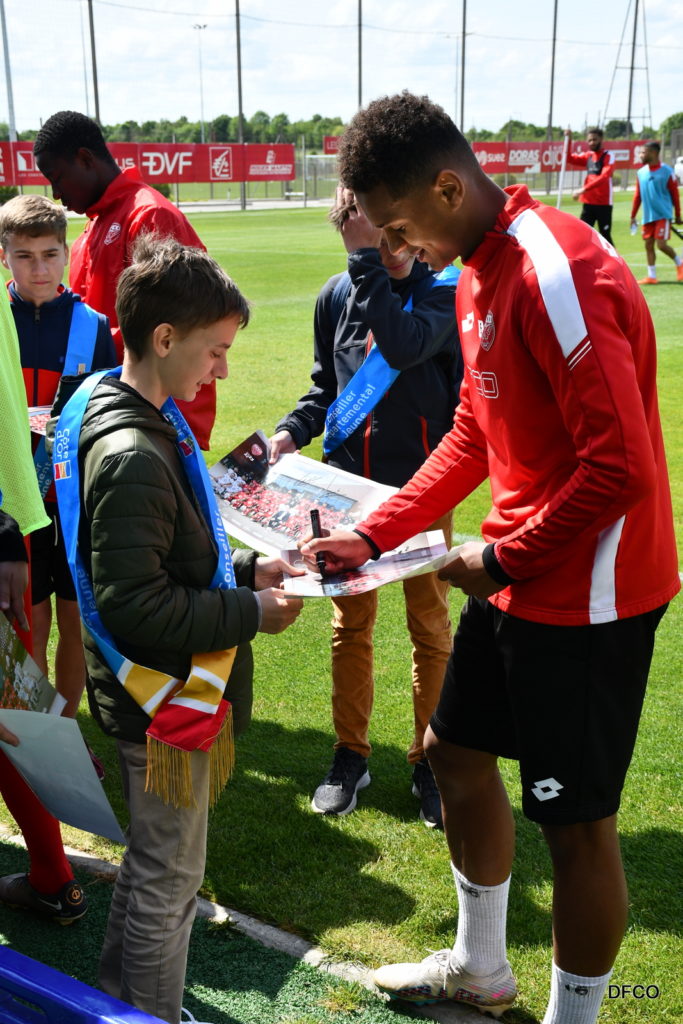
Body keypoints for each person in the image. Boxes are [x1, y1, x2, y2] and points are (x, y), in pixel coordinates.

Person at [301, 92, 679, 1024]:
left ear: (446, 187)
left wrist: (505, 559)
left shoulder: (555, 273)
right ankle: (480, 967)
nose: (395, 250)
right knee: (455, 754)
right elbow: (474, 431)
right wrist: (375, 531)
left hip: (589, 592)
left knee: (574, 826)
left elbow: (619, 468)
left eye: (397, 228)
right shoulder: (475, 270)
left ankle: (572, 1017)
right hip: (517, 573)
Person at [52, 235, 303, 1024]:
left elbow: (167, 557)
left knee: (152, 867)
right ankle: (149, 1012)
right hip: (162, 703)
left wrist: (246, 572)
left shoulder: (118, 404)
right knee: (170, 880)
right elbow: (136, 603)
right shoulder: (134, 450)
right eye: (215, 350)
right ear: (164, 339)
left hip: (150, 696)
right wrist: (251, 611)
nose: (221, 369)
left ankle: (118, 1000)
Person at [270, 186, 461, 826]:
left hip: (423, 493)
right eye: (374, 239)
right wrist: (292, 431)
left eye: (395, 234)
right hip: (346, 496)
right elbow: (326, 388)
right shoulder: (336, 296)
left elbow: (403, 346)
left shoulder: (443, 291)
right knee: (349, 628)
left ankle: (429, 760)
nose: (391, 249)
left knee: (429, 627)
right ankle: (351, 754)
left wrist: (364, 263)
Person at [32, 110, 216, 450]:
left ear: (85, 159)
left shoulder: (149, 216)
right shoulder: (90, 229)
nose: (56, 193)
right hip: (109, 411)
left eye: (57, 177)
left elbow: (180, 330)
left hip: (155, 421)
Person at [0, 194, 116, 717]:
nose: (39, 269)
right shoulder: (1, 320)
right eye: (24, 257)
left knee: (73, 619)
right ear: (4, 257)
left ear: (67, 253)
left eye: (50, 254)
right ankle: (36, 732)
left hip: (72, 501)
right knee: (28, 619)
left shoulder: (92, 326)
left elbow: (107, 414)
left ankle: (66, 727)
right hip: (14, 506)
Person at [0, 283, 87, 924]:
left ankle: (54, 877)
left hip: (8, 526)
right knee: (12, 708)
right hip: (12, 524)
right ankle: (54, 877)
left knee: (10, 711)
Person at [630, 140, 683, 285]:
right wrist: (633, 216)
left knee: (661, 245)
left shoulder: (667, 171)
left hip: (663, 215)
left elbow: (675, 194)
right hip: (648, 216)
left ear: (653, 153)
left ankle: (680, 264)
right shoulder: (640, 173)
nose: (640, 155)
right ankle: (651, 276)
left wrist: (678, 214)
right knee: (648, 245)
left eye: (643, 152)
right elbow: (637, 196)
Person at [565, 127, 615, 245]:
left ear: (601, 139)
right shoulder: (588, 155)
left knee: (605, 236)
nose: (592, 142)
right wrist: (569, 140)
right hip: (588, 203)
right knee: (583, 234)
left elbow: (604, 177)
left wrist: (583, 189)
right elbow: (569, 158)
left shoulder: (608, 155)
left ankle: (616, 257)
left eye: (594, 139)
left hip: (603, 203)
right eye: (589, 140)